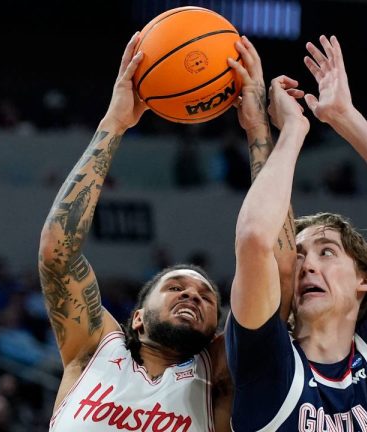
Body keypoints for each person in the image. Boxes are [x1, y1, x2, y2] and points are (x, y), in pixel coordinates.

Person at [40, 32, 287, 431]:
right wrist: (114, 123)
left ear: (213, 331)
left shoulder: (219, 378)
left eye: (207, 297)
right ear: (136, 319)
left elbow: (281, 275)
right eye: (175, 288)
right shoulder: (92, 349)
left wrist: (258, 128)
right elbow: (58, 254)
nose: (192, 293)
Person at [226, 35, 367, 431]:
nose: (307, 265)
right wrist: (290, 131)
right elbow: (256, 239)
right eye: (297, 254)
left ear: (365, 280)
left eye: (326, 252)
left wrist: (345, 118)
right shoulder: (266, 360)